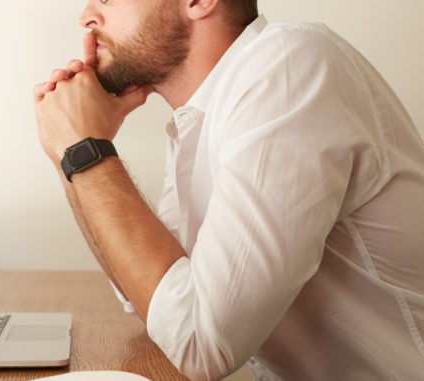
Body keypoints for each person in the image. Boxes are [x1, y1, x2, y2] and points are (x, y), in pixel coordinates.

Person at [33, 0, 424, 379]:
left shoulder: (286, 66)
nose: (86, 16)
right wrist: (67, 154)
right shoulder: (202, 117)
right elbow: (154, 303)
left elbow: (200, 344)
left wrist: (84, 147)